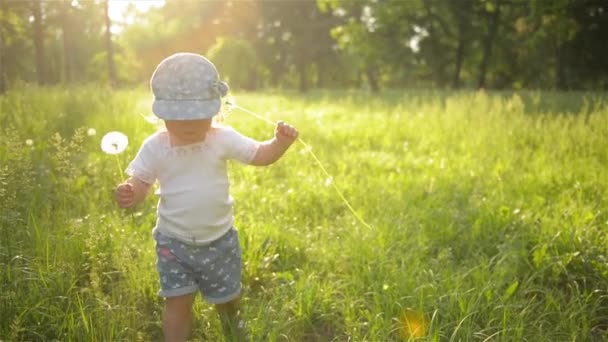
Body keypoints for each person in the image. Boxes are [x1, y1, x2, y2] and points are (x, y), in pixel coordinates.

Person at [114, 52, 298, 341]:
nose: (189, 125)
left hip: (219, 240)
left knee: (226, 297)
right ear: (162, 115)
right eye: (179, 119)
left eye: (198, 118)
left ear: (214, 111)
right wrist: (131, 192)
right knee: (177, 301)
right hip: (173, 243)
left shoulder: (222, 138)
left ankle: (232, 322)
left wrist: (279, 143)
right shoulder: (155, 147)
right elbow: (141, 183)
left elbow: (259, 155)